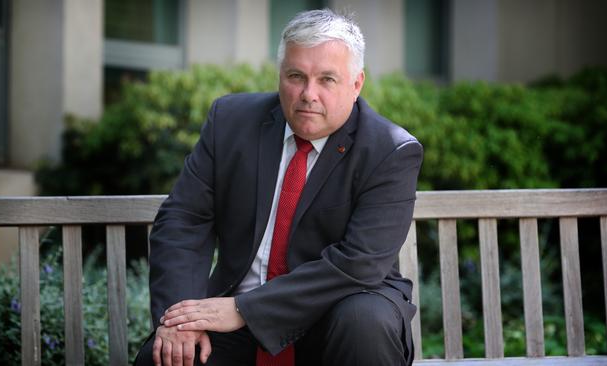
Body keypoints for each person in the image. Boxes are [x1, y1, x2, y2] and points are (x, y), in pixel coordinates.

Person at [134, 8, 423, 366]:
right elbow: (183, 220)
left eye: (327, 79)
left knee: (364, 321)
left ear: (356, 83)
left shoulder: (389, 150)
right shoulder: (230, 122)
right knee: (163, 358)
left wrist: (245, 308)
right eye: (296, 76)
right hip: (236, 319)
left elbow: (358, 264)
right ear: (280, 75)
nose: (308, 94)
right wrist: (181, 318)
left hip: (338, 312)